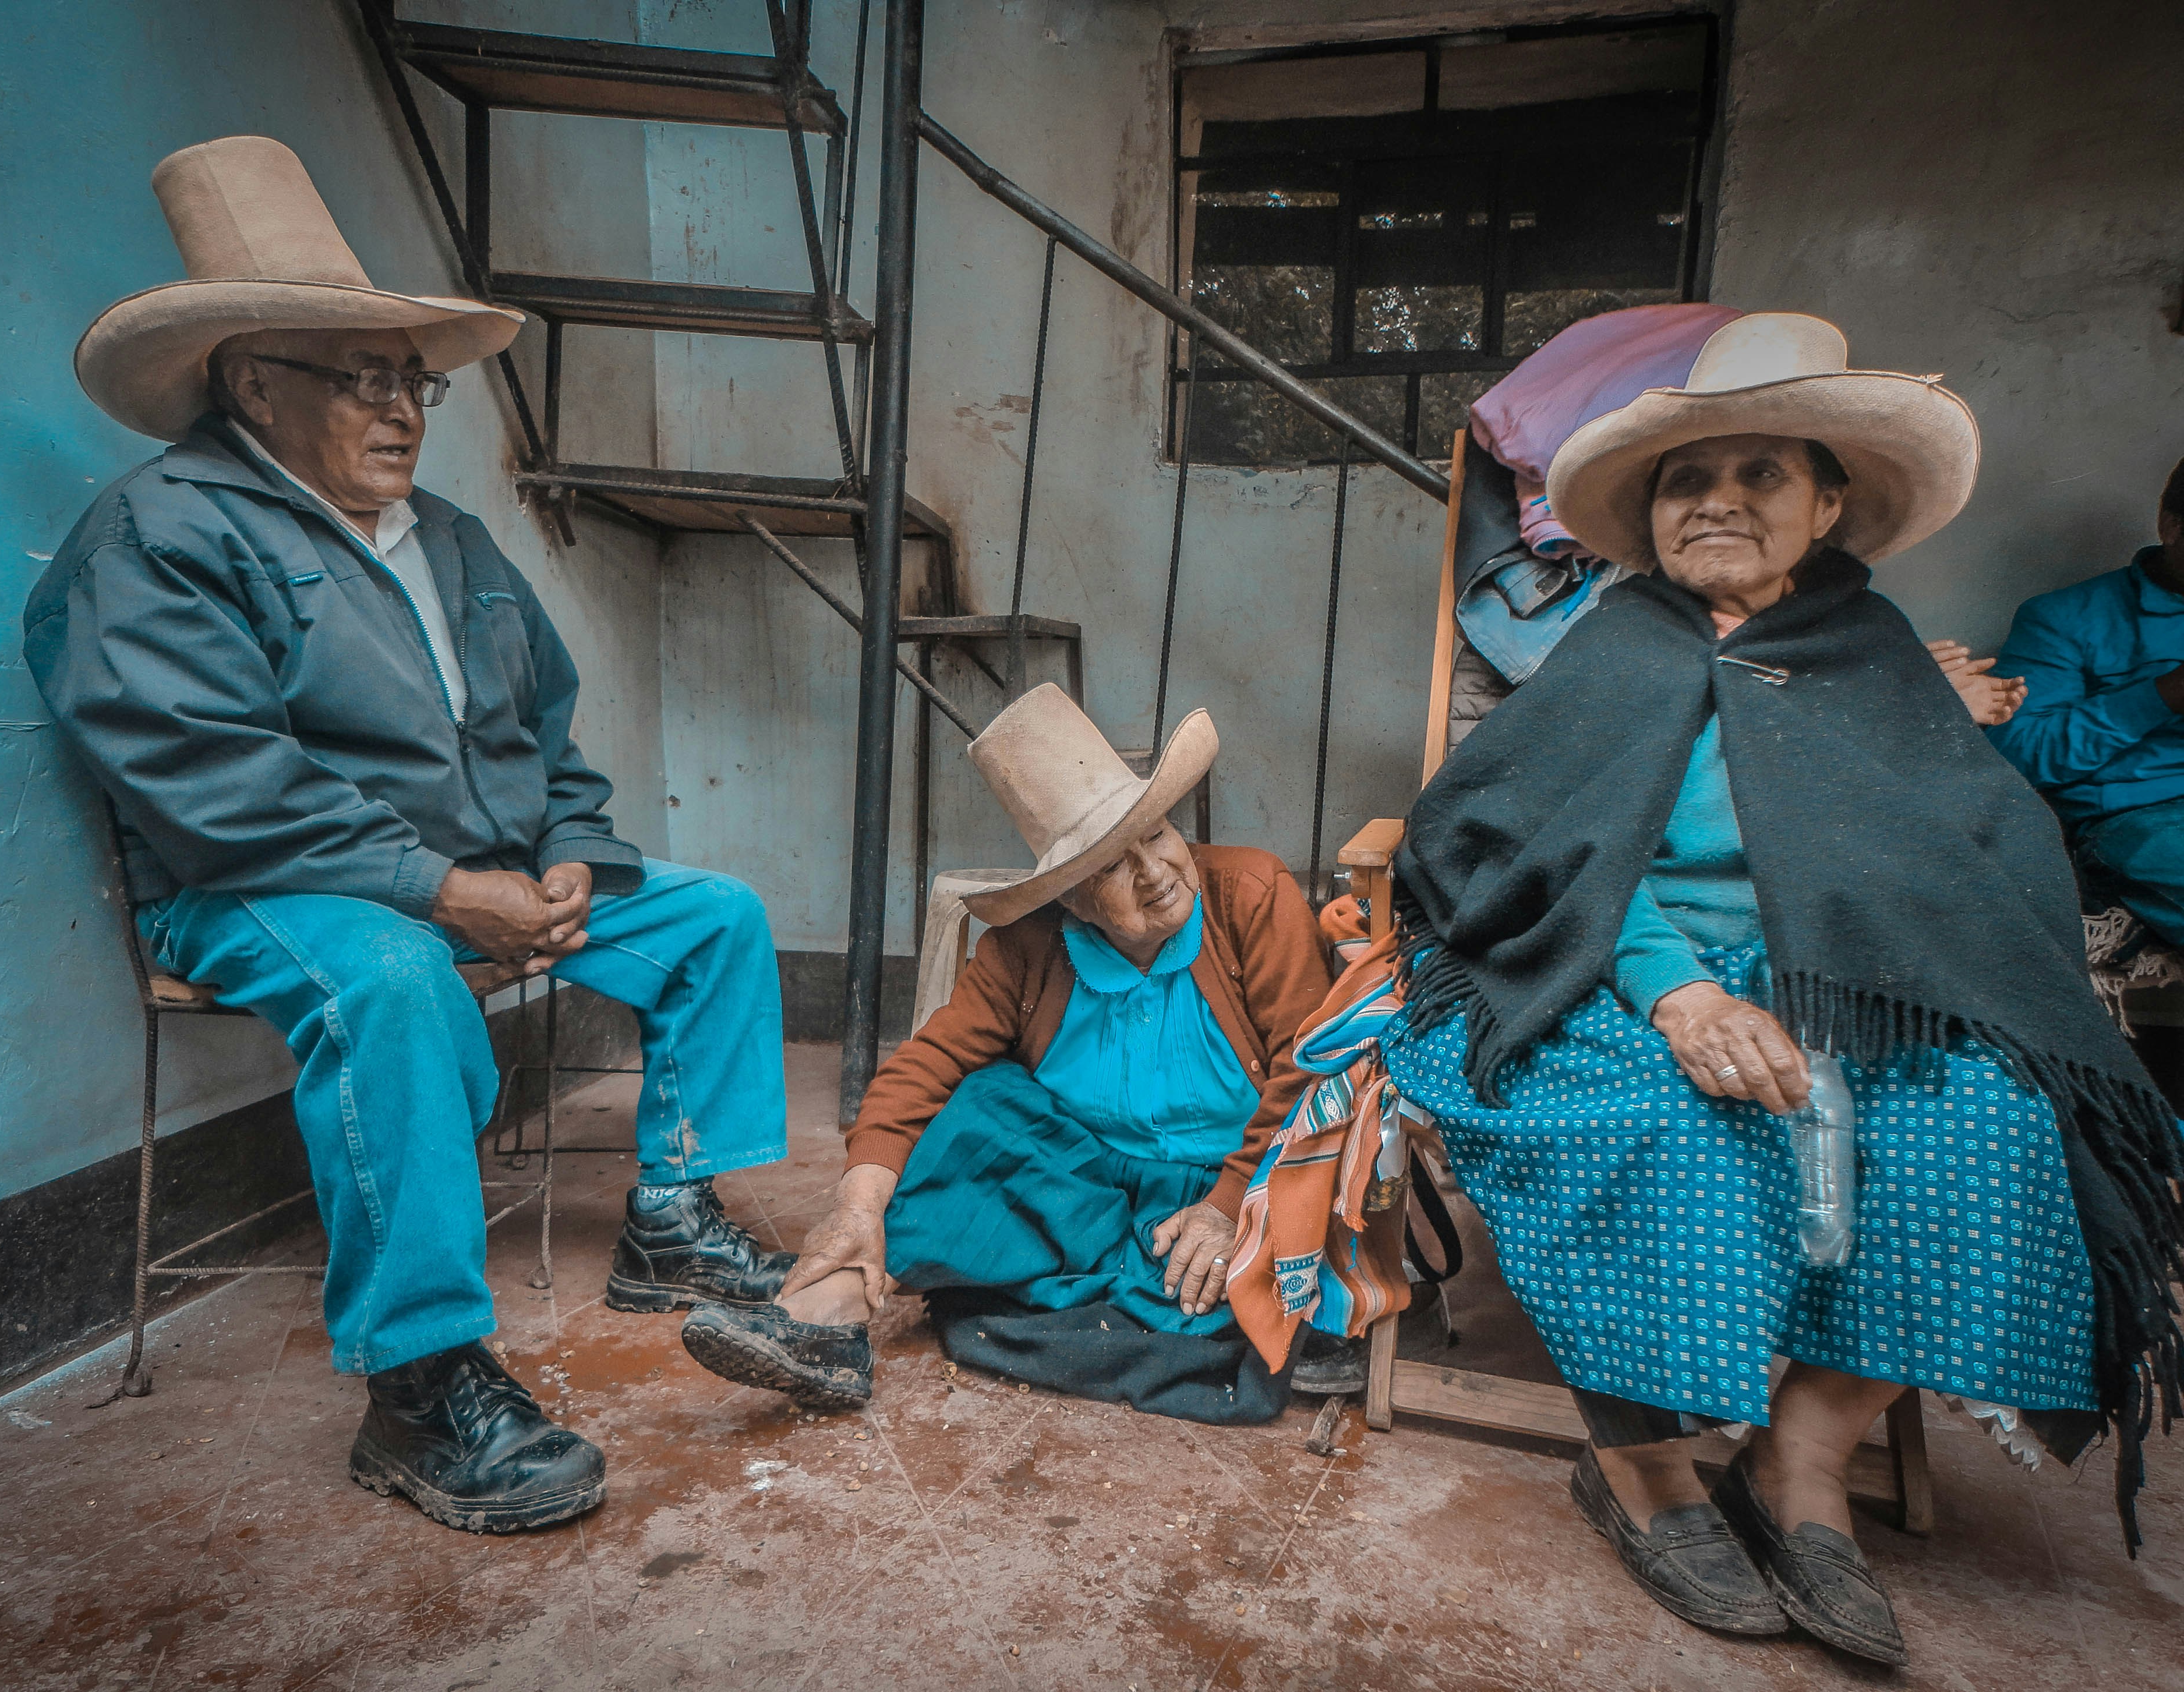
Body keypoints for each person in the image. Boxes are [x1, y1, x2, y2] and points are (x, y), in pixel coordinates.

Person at [1373, 313, 2184, 1666]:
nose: (1720, 502)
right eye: (1690, 479)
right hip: (1607, 965)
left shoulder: (1870, 655)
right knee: (1634, 1118)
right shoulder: (1618, 644)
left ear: (1829, 501)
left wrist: (1876, 984)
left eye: (1761, 474)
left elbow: (1975, 851)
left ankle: (1799, 1465)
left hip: (1852, 978)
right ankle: (1641, 1469)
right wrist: (1682, 996)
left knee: (1994, 1125)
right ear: (1649, 515)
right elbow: (1515, 850)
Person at [24, 137, 797, 1532]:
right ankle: (422, 1381)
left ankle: (673, 1217)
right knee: (390, 979)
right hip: (262, 881)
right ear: (253, 380)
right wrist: (437, 887)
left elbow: (547, 733)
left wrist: (566, 845)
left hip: (480, 872)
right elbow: (210, 776)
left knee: (716, 914)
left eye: (412, 380)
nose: (403, 409)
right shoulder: (159, 531)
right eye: (361, 375)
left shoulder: (445, 537)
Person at [675, 685, 1350, 1421]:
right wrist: (856, 1206)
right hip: (1082, 1186)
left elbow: (1307, 1067)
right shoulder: (1026, 949)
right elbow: (924, 1068)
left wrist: (1226, 1209)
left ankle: (1078, 1279)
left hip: (1220, 1189)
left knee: (1212, 1296)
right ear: (1073, 897)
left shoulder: (1250, 893)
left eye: (1156, 835)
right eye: (1113, 865)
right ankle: (827, 1315)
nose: (1155, 869)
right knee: (981, 1104)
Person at [1984, 455, 2184, 940]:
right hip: (2138, 819)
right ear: (2171, 525)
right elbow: (2021, 753)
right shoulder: (2064, 618)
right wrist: (2165, 695)